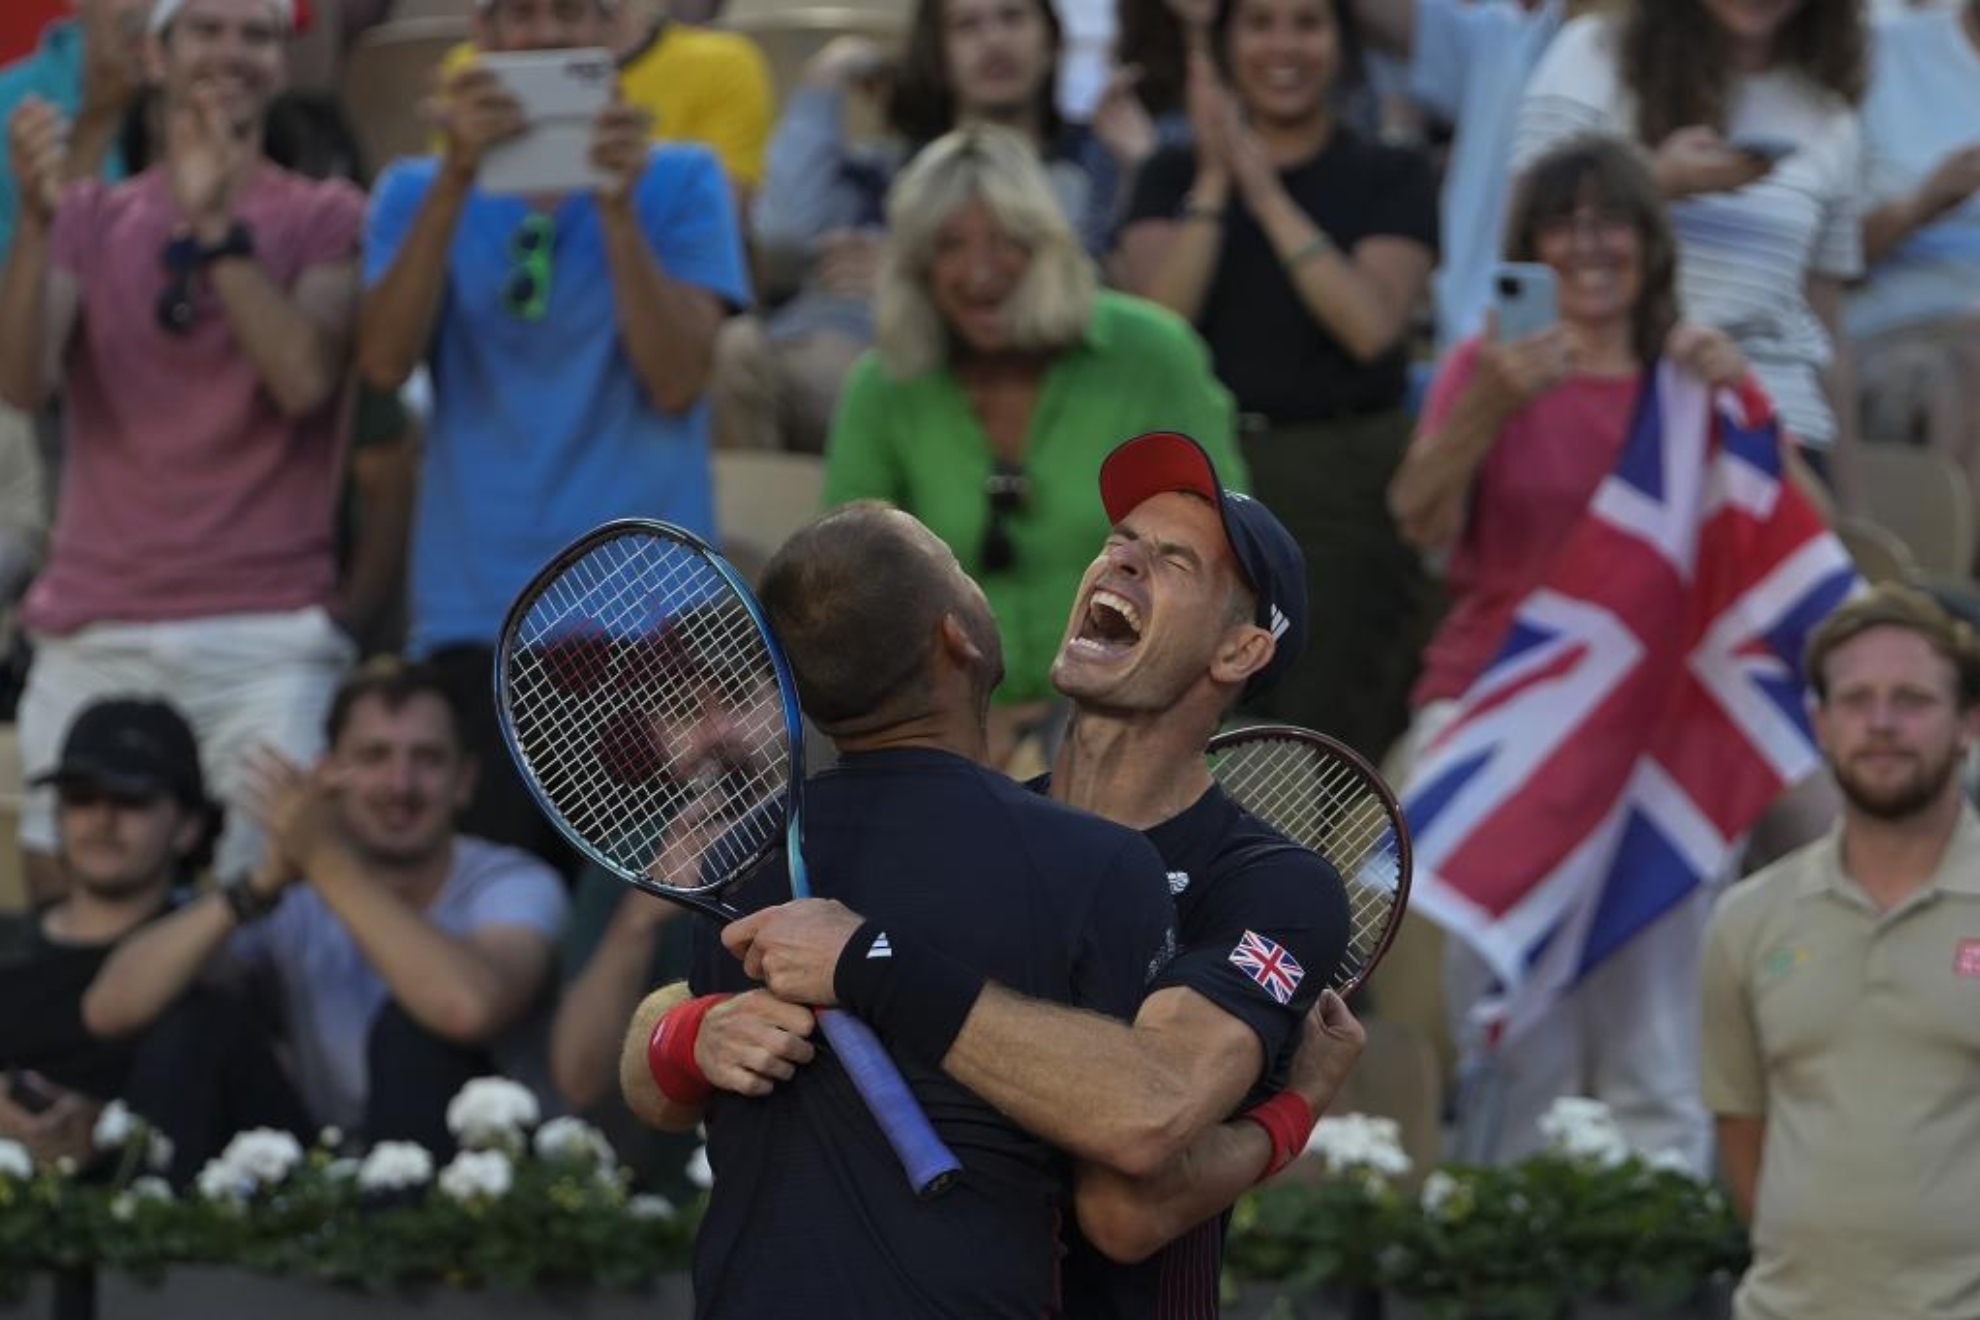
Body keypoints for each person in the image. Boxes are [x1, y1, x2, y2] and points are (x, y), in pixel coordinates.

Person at [715, 432, 1361, 1317]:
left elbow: (1129, 1204)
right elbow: (685, 1019)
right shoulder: (971, 827)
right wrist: (683, 1037)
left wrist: (1291, 1117)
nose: (1123, 560)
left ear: (1241, 652)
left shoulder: (1274, 885)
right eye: (1118, 541)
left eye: (1172, 560)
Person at [620, 501, 1178, 1318]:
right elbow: (1136, 1163)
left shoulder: (740, 856)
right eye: (958, 567)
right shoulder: (1104, 865)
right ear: (955, 636)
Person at [1387, 135, 1753, 1170]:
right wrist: (1487, 408)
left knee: (1661, 1051)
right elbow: (1415, 518)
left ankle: (1659, 1272)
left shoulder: (1691, 378)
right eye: (1563, 223)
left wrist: (1748, 411)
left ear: (1651, 240)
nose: (1589, 245)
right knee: (1514, 1034)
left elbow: (1794, 551)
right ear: (1530, 247)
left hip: (1658, 728)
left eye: (1613, 221)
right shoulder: (1488, 362)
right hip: (1499, 717)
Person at [356, 0, 749, 869]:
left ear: (612, 37)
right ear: (479, 41)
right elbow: (382, 365)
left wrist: (615, 209)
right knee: (493, 920)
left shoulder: (681, 178)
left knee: (649, 931)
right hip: (476, 620)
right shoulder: (416, 191)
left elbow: (678, 377)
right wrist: (457, 177)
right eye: (514, 17)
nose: (537, 37)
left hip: (656, 620)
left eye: (567, 13)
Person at [0, 0, 362, 900]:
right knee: (61, 905)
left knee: (263, 910)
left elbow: (305, 378)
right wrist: (39, 230)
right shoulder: (89, 214)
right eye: (205, 29)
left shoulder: (328, 212)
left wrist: (214, 232)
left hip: (266, 628)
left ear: (282, 62)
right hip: (97, 621)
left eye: (256, 34)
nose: (232, 53)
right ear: (154, 56)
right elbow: (22, 382)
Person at [826, 126, 1240, 767]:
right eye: (949, 247)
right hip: (937, 731)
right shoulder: (883, 388)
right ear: (915, 268)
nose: (978, 271)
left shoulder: (1155, 355)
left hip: (1133, 710)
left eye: (1005, 242)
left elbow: (1222, 565)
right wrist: (944, 725)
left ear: (1049, 250)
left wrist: (1087, 708)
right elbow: (848, 593)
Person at [1116, 0, 1438, 765]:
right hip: (1200, 477)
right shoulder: (1169, 175)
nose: (1283, 45)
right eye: (1259, 23)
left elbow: (1368, 325)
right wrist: (1217, 183)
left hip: (1344, 472)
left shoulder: (1388, 172)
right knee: (1191, 717)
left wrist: (1264, 190)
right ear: (1228, 44)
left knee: (1325, 733)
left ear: (1341, 41)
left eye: (1307, 22)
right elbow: (1162, 322)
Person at [81, 661, 569, 1152]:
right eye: (373, 756)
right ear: (327, 772)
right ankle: (165, 1220)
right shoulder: (292, 895)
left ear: (464, 780)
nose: (400, 784)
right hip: (325, 1168)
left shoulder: (514, 881)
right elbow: (108, 1010)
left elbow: (468, 1008)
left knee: (411, 1033)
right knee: (192, 1027)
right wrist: (261, 882)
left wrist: (320, 855)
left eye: (428, 759)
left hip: (482, 1183)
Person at [1701, 582, 1980, 1320]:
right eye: (1856, 700)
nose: (1881, 723)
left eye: (1913, 699)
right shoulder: (1746, 920)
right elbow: (1742, 1130)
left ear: (1968, 724)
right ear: (1820, 724)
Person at [714, 0, 1104, 456]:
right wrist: (825, 79)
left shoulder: (1086, 169)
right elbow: (782, 234)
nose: (994, 40)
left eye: (1012, 17)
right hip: (810, 352)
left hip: (930, 368)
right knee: (733, 348)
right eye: (967, 26)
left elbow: (1073, 300)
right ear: (937, 54)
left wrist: (909, 276)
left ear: (1052, 41)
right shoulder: (887, 168)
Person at [1512, 0, 1868, 482]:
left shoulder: (1830, 114)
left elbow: (1827, 328)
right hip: (1612, 404)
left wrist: (1851, 510)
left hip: (1778, 423)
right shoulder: (1594, 55)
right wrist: (1655, 183)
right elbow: (1522, 239)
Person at [0, 697, 306, 1184]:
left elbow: (116, 1007)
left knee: (200, 1023)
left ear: (188, 826)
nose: (102, 821)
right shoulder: (9, 941)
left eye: (130, 800)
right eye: (82, 798)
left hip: (169, 1225)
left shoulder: (211, 951)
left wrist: (105, 1127)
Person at [1847, 0, 1980, 519]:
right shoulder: (1882, 58)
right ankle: (1946, 588)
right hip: (1897, 330)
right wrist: (1922, 205)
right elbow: (1814, 255)